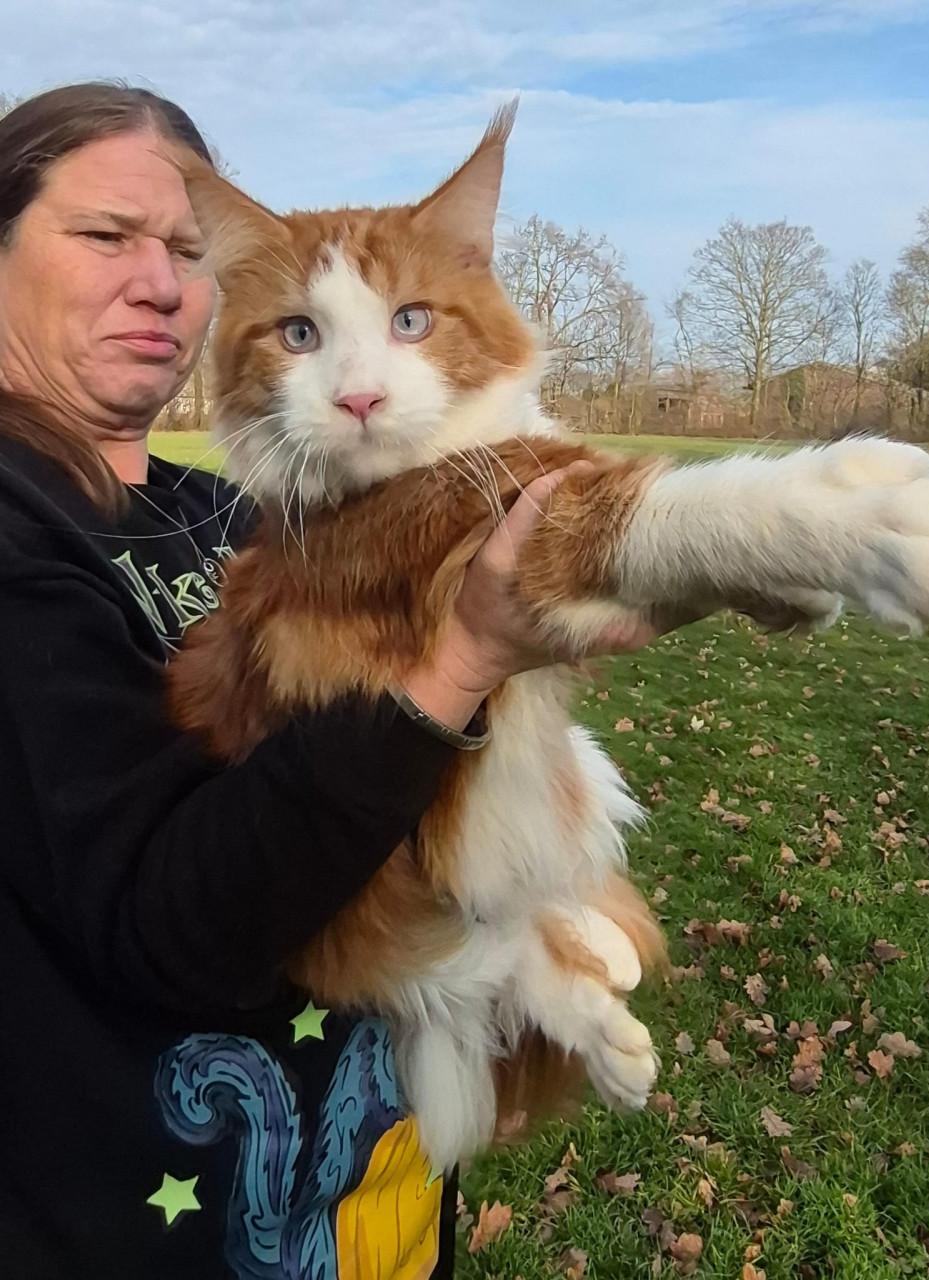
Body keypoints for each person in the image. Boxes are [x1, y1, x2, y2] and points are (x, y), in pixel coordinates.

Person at [0, 83, 660, 1280]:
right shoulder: (19, 530)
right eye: (106, 236)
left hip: (369, 1208)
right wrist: (460, 659)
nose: (160, 284)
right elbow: (166, 920)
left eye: (190, 251)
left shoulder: (233, 511)